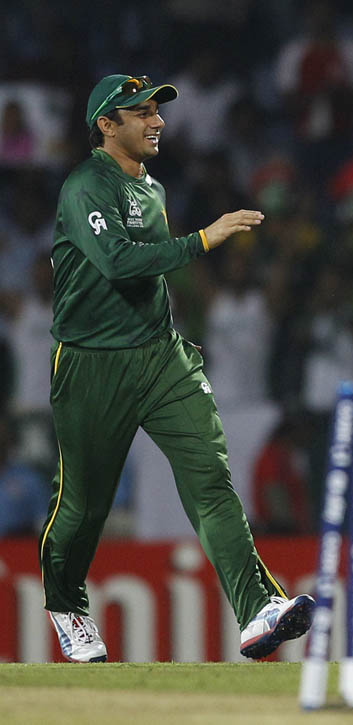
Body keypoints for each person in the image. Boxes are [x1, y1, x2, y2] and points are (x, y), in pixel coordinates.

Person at [39, 74, 314, 663]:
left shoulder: (152, 190)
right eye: (140, 113)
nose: (157, 121)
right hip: (92, 364)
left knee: (212, 481)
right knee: (84, 506)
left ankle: (256, 610)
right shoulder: (86, 184)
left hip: (161, 355)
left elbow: (151, 277)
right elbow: (116, 262)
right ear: (106, 126)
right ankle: (66, 605)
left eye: (156, 111)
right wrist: (203, 240)